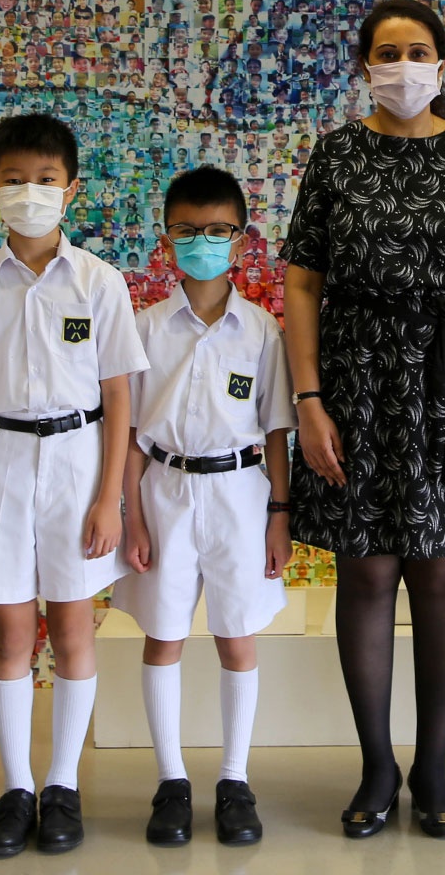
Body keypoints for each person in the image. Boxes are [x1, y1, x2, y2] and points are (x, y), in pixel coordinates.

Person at [281, 0, 445, 839]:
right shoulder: (335, 155)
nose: (403, 66)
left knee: (443, 574)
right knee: (366, 572)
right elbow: (303, 281)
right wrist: (309, 400)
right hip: (355, 384)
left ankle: (433, 767)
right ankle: (377, 766)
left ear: (443, 64)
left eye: (418, 52)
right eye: (387, 53)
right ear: (364, 67)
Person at [0, 113, 146, 859]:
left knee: (72, 625)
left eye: (46, 179)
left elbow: (119, 398)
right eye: (15, 180)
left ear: (71, 189)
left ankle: (62, 784)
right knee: (9, 629)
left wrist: (109, 498)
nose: (31, 191)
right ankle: (17, 787)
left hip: (76, 460)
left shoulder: (98, 281)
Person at [114, 166, 295, 847]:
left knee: (236, 635)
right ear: (167, 241)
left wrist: (279, 515)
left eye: (218, 231)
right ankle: (170, 781)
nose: (203, 243)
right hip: (164, 489)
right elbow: (132, 434)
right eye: (188, 231)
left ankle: (234, 780)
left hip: (239, 493)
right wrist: (132, 516)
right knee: (164, 636)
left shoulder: (261, 331)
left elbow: (275, 431)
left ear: (241, 240)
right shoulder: (146, 329)